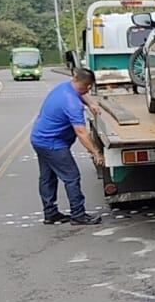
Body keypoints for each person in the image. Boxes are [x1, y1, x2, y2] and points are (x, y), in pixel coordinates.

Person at [30, 69, 104, 225]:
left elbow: (81, 93)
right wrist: (96, 152)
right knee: (72, 177)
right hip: (52, 144)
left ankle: (50, 213)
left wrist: (91, 103)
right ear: (88, 85)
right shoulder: (72, 104)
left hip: (39, 139)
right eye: (89, 87)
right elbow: (81, 133)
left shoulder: (65, 88)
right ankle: (78, 214)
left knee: (47, 177)